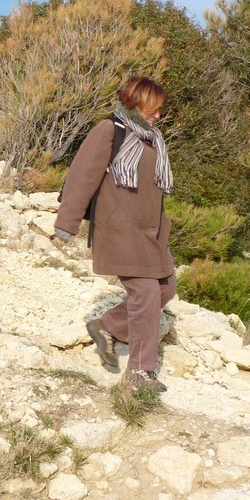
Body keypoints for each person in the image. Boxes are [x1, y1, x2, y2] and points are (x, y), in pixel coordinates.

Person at [53, 77, 176, 393]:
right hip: (119, 228)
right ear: (138, 102)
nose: (159, 116)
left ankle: (106, 326)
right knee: (146, 292)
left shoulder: (152, 139)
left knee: (165, 287)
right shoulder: (110, 130)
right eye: (155, 109)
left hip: (149, 233)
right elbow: (82, 175)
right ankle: (139, 373)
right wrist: (67, 224)